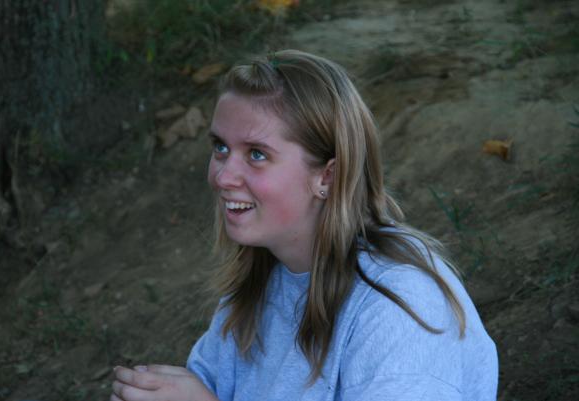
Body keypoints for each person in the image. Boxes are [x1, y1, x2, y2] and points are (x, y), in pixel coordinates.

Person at [111, 49, 498, 401]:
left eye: (257, 154)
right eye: (221, 147)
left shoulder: (400, 305)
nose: (223, 176)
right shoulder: (257, 287)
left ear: (327, 177)